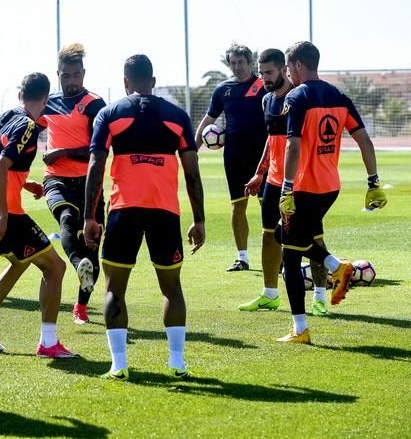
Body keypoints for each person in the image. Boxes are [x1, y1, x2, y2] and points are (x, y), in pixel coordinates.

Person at [84, 55, 205, 380]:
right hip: (165, 212)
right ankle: (177, 363)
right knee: (172, 289)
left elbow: (95, 167)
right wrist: (199, 219)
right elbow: (192, 171)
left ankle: (119, 365)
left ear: (126, 82)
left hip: (124, 211)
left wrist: (89, 218)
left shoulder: (109, 114)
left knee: (114, 290)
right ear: (152, 81)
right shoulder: (177, 116)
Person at [276, 41, 387, 343]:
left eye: (288, 68)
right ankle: (337, 267)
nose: (288, 74)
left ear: (298, 65)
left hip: (304, 190)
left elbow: (293, 144)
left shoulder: (297, 97)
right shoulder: (340, 96)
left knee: (289, 256)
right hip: (330, 188)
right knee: (285, 236)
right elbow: (365, 140)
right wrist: (373, 181)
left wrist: (286, 189)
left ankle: (301, 329)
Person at [0, 72, 76, 359]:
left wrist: (24, 183)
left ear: (20, 94)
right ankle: (48, 343)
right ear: (46, 97)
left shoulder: (6, 115)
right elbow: (0, 167)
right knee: (55, 268)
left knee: (20, 262)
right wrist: (3, 215)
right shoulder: (28, 124)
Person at [241, 48, 330, 316]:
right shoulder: (266, 100)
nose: (264, 77)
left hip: (300, 182)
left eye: (269, 72)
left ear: (283, 69)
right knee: (269, 234)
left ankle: (320, 296)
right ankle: (269, 294)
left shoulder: (301, 97)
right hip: (273, 179)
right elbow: (272, 139)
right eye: (261, 72)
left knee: (313, 236)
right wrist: (260, 172)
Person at [37, 43, 107, 324]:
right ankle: (79, 265)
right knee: (67, 220)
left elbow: (97, 150)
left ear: (84, 73)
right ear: (58, 74)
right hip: (56, 180)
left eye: (76, 75)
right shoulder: (48, 102)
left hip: (90, 183)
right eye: (65, 76)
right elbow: (27, 128)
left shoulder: (94, 105)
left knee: (92, 244)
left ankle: (81, 305)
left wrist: (62, 152)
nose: (71, 81)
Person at [195, 43, 267, 272]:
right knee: (238, 206)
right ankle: (242, 257)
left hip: (263, 157)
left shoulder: (264, 86)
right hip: (234, 157)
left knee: (270, 207)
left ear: (249, 61)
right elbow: (207, 122)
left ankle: (280, 257)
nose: (236, 67)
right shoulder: (222, 90)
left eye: (240, 62)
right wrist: (192, 151)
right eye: (232, 63)